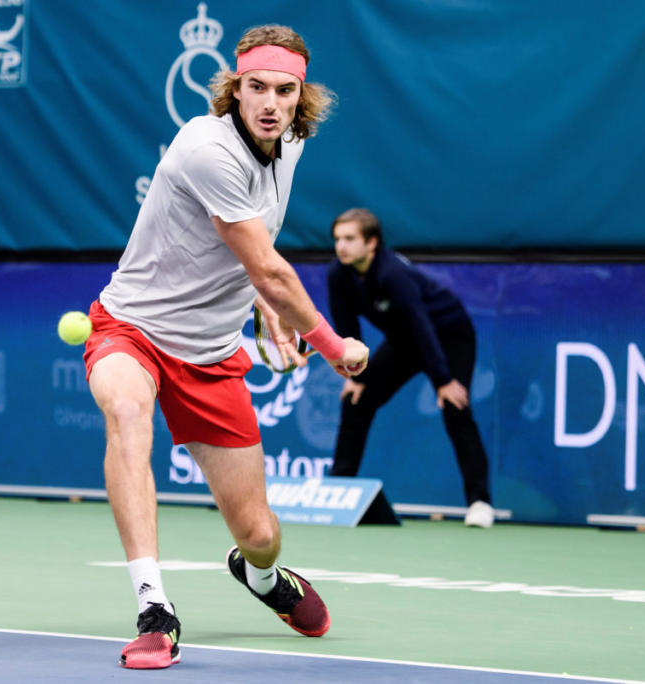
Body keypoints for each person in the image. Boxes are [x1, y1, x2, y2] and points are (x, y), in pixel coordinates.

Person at [82, 25, 369, 670]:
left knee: (260, 534)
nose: (269, 102)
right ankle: (155, 610)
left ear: (302, 97)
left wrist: (263, 301)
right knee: (127, 415)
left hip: (211, 355)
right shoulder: (205, 148)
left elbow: (251, 252)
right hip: (132, 330)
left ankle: (262, 578)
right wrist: (329, 344)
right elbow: (268, 266)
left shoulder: (290, 143)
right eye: (256, 87)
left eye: (284, 90)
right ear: (234, 89)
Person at [326, 208, 495, 529]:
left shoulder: (392, 274)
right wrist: (356, 375)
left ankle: (480, 502)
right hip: (404, 340)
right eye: (337, 239)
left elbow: (422, 326)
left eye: (349, 239)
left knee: (455, 407)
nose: (341, 246)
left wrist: (444, 380)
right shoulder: (338, 275)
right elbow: (348, 330)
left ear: (372, 243)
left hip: (447, 334)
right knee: (356, 398)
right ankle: (339, 488)